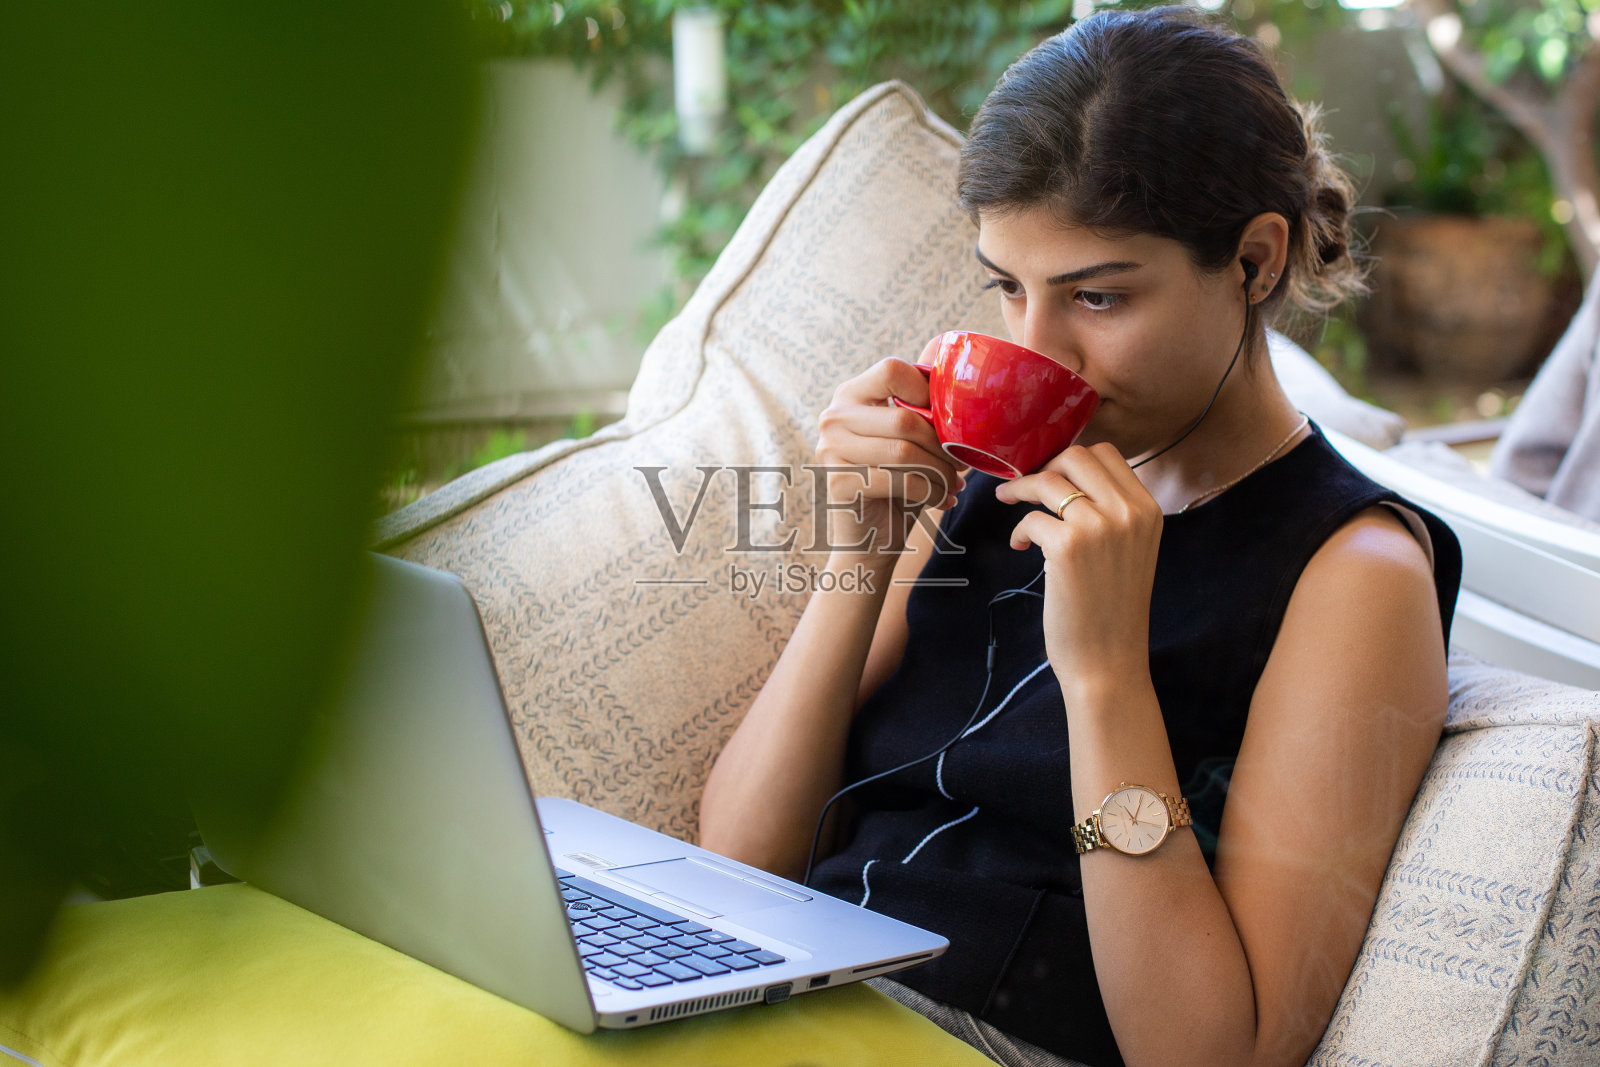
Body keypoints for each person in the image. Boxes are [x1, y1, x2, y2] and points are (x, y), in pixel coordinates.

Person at [700, 8, 1462, 1067]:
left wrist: (1105, 676)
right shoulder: (983, 479)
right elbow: (737, 861)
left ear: (1253, 259)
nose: (1038, 350)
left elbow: (1214, 1050)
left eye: (1096, 295)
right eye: (1006, 288)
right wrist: (859, 552)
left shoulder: (1351, 573)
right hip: (779, 984)